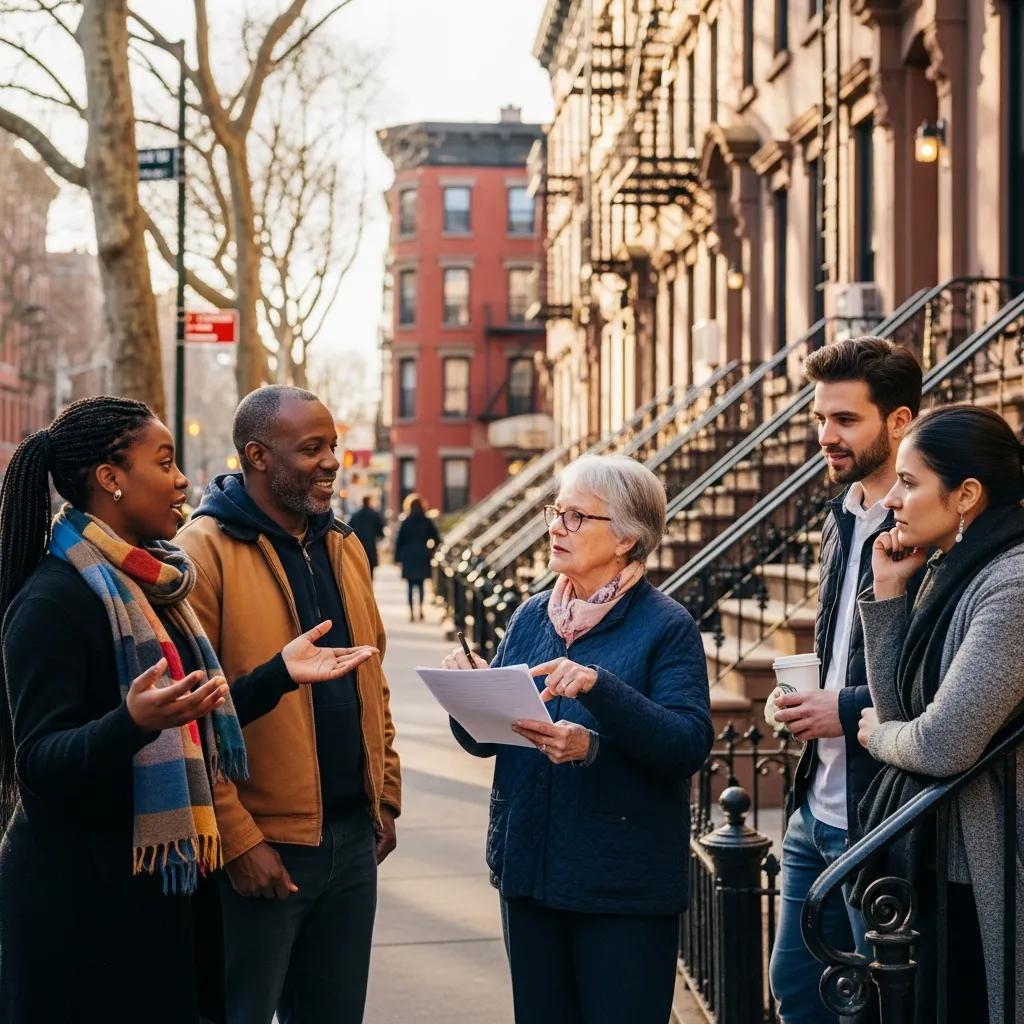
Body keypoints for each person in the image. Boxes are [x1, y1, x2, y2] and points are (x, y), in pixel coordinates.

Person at [0, 396, 379, 1023]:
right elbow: (38, 762)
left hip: (159, 895)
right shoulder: (53, 600)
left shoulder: (155, 585)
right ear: (112, 479)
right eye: (166, 462)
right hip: (82, 912)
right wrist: (131, 722)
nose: (182, 479)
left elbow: (196, 714)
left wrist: (279, 675)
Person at [443, 453, 713, 1024]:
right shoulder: (532, 616)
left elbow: (686, 744)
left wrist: (596, 709)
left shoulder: (666, 625)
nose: (555, 526)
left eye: (574, 517)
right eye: (555, 511)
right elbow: (488, 742)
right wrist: (467, 698)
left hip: (620, 890)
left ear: (625, 540)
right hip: (529, 875)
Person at [177, 385, 401, 1024]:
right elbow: (188, 719)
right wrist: (238, 841)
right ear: (257, 455)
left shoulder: (344, 546)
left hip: (353, 842)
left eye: (332, 445)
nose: (332, 461)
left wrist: (384, 795)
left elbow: (372, 681)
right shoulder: (204, 552)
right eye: (311, 449)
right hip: (262, 847)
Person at [768, 337, 923, 1024]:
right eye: (820, 419)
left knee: (879, 1006)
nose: (825, 436)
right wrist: (805, 701)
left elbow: (936, 682)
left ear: (898, 422)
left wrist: (845, 707)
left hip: (880, 814)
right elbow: (840, 651)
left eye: (845, 420)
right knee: (797, 994)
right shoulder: (841, 518)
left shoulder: (928, 527)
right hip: (813, 809)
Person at [855, 405, 1024, 1023]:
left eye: (910, 481)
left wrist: (879, 737)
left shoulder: (1011, 585)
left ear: (967, 494)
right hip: (936, 859)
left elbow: (942, 743)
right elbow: (907, 712)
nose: (892, 499)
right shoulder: (949, 570)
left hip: (986, 870)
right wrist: (891, 593)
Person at [394, 492, 439, 622]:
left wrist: (397, 558)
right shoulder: (427, 521)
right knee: (420, 585)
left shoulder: (406, 521)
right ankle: (420, 611)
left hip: (408, 556)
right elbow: (436, 538)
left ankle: (412, 613)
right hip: (422, 555)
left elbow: (399, 541)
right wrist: (431, 550)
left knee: (410, 585)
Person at [348, 494, 385, 579]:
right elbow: (380, 531)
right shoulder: (375, 515)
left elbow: (348, 530)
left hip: (359, 547)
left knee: (360, 571)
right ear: (369, 502)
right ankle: (369, 589)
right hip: (371, 547)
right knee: (370, 571)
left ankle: (361, 590)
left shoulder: (355, 516)